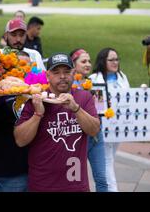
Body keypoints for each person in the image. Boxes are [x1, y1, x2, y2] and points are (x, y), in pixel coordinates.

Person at [14, 52, 100, 192]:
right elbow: (20, 140)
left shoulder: (83, 98)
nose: (62, 77)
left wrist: (76, 109)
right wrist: (38, 113)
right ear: (47, 75)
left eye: (66, 72)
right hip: (43, 185)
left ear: (73, 73)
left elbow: (94, 130)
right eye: (56, 72)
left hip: (76, 184)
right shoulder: (36, 99)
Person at [89, 48, 130, 192]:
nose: (115, 62)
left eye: (117, 59)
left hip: (119, 126)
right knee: (106, 160)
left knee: (110, 158)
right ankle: (112, 189)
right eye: (111, 59)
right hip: (103, 126)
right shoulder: (95, 79)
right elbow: (97, 107)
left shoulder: (122, 77)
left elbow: (128, 100)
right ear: (103, 61)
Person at [69, 48, 108, 192]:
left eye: (89, 61)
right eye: (83, 61)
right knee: (76, 180)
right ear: (73, 64)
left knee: (102, 179)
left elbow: (100, 110)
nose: (88, 64)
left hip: (97, 137)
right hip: (77, 138)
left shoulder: (94, 83)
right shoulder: (68, 86)